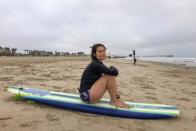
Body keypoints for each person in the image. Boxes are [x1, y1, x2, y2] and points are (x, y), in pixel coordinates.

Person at [79, 43, 129, 108]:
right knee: (109, 76)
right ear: (94, 54)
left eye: (104, 51)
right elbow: (115, 72)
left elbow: (111, 71)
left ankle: (115, 99)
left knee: (108, 75)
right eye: (100, 51)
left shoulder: (98, 64)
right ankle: (115, 100)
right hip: (87, 96)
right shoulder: (95, 64)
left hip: (87, 95)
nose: (103, 53)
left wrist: (111, 69)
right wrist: (112, 67)